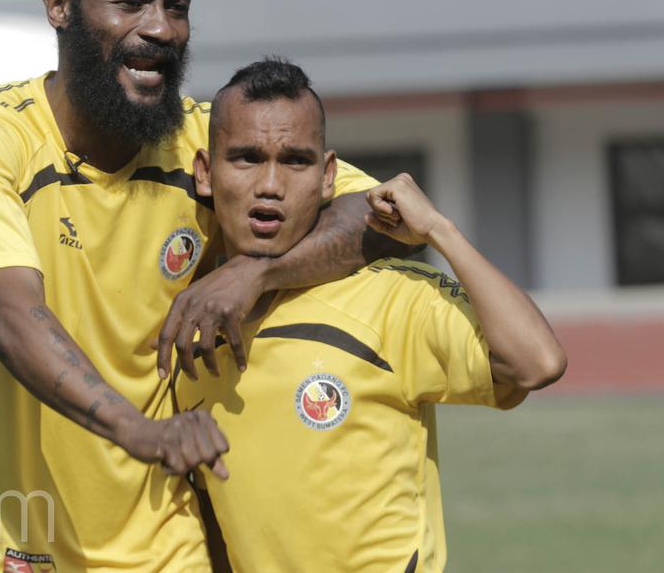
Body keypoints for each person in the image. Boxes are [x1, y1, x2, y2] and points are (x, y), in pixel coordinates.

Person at [0, 0, 405, 571]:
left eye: (176, 7)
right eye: (132, 3)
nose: (162, 28)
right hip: (19, 548)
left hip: (171, 545)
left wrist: (259, 271)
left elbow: (386, 215)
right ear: (58, 6)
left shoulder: (209, 145)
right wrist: (138, 431)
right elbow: (8, 314)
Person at [175, 58, 568, 572]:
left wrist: (441, 233)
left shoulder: (388, 300)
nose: (269, 185)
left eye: (295, 161)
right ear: (206, 173)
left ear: (327, 176)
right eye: (246, 159)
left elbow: (537, 362)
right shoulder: (190, 330)